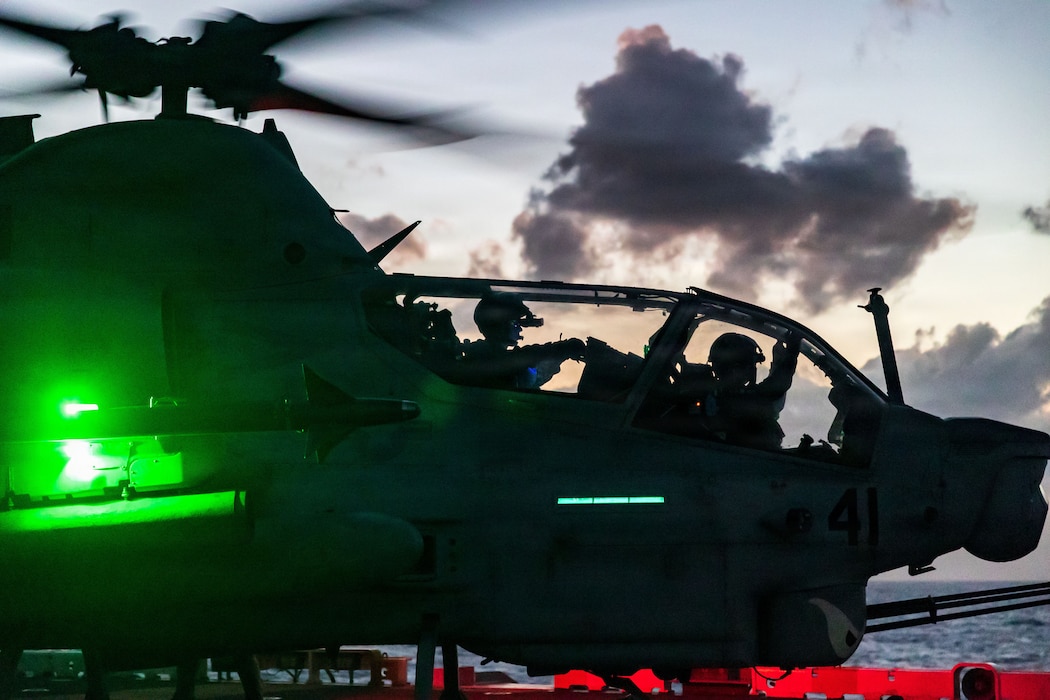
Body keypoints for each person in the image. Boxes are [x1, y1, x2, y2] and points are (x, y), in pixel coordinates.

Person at [460, 293, 585, 389]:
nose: (520, 328)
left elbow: (534, 372)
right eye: (515, 323)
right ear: (500, 325)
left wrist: (561, 353)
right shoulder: (489, 359)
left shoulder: (481, 355)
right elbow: (525, 357)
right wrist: (565, 348)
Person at [701, 331, 800, 450]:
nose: (751, 370)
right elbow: (777, 385)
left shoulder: (710, 395)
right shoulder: (740, 402)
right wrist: (792, 353)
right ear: (736, 367)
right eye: (749, 365)